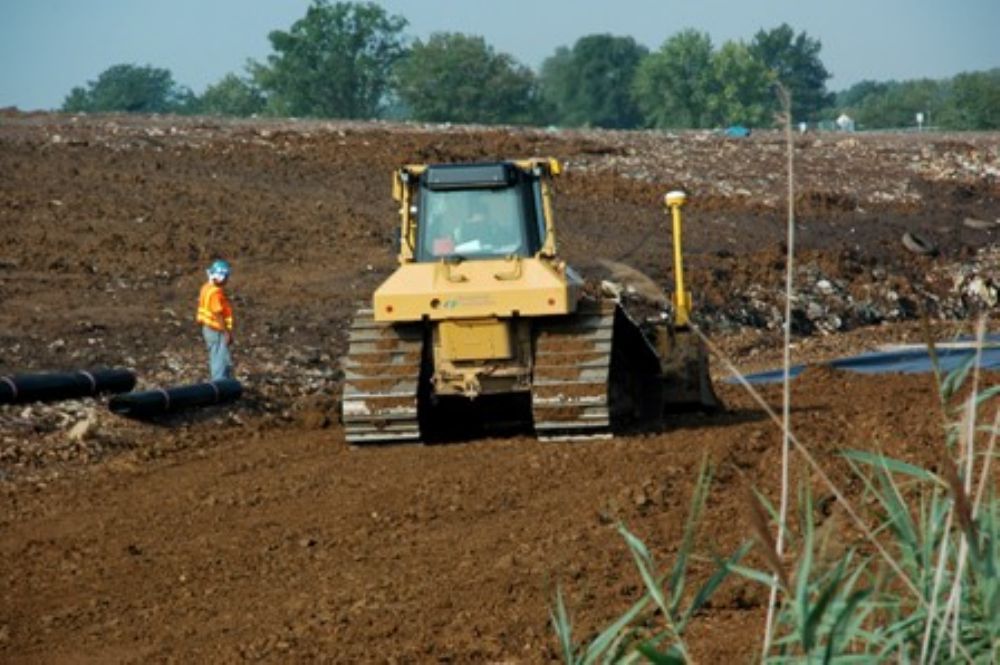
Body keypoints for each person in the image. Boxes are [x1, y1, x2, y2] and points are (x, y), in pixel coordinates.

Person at [195, 259, 235, 381]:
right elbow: (218, 313)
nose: (227, 279)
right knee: (219, 360)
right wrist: (226, 332)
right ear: (220, 276)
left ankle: (225, 383)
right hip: (216, 331)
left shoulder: (206, 287)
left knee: (222, 358)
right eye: (226, 276)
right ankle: (219, 386)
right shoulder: (215, 293)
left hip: (208, 328)